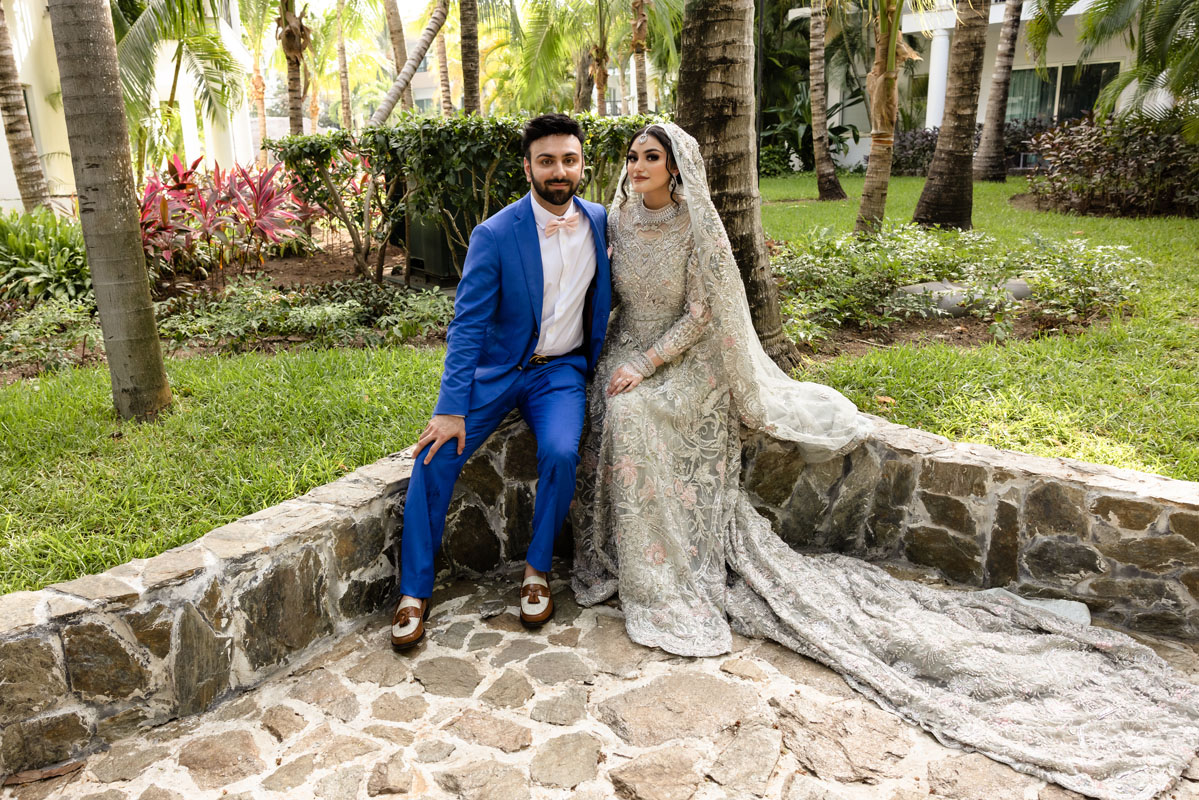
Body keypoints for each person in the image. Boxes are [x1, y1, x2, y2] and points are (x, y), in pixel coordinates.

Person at [572, 122, 1199, 800]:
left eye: (652, 157)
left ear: (676, 168)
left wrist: (646, 363)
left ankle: (668, 572)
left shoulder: (697, 224)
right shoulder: (617, 220)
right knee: (612, 408)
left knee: (636, 411)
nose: (638, 165)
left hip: (685, 359)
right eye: (633, 156)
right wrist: (612, 357)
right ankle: (626, 556)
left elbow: (702, 313)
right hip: (625, 348)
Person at [391, 113, 611, 650]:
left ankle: (536, 572)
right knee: (433, 457)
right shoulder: (494, 234)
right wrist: (450, 408)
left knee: (560, 452)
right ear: (528, 167)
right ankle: (414, 592)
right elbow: (467, 325)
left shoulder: (601, 221)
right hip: (496, 371)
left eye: (569, 160)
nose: (559, 171)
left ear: (582, 165)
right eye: (546, 161)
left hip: (559, 371)